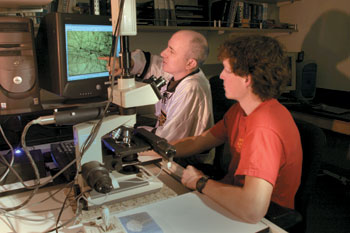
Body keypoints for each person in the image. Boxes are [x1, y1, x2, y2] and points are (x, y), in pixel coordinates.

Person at [172, 35, 303, 223]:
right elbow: (199, 141)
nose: (221, 76)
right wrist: (158, 149)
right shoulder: (240, 110)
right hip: (233, 199)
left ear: (247, 79)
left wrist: (200, 182)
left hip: (265, 218)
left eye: (226, 70)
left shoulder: (264, 128)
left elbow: (252, 210)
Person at [101, 30, 214, 166]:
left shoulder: (192, 88)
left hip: (185, 162)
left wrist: (135, 135)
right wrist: (127, 63)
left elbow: (169, 139)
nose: (163, 53)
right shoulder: (179, 71)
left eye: (171, 51)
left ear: (190, 63)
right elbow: (153, 65)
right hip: (163, 141)